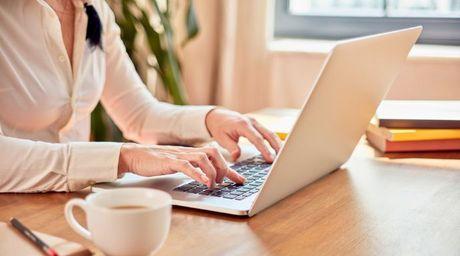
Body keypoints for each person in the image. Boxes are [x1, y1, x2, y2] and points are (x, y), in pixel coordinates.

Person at [0, 0, 281, 193]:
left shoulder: (93, 9)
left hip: (72, 205)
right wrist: (124, 158)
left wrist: (211, 119)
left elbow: (138, 114)